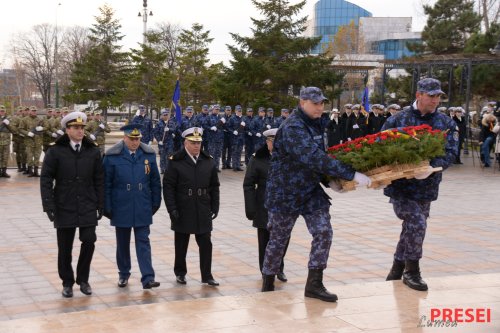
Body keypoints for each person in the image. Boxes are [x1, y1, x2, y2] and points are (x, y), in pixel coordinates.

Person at [261, 87, 371, 302]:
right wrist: (351, 174)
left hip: (310, 190)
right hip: (285, 192)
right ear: (303, 102)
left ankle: (314, 283)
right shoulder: (293, 126)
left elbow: (321, 156)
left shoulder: (318, 124)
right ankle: (268, 282)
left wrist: (328, 181)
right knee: (278, 239)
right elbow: (312, 158)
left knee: (323, 231)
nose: (320, 107)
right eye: (316, 103)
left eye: (322, 103)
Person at [382, 78, 459, 291]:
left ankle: (397, 267)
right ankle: (412, 271)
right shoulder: (398, 119)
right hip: (402, 186)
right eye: (431, 95)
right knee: (417, 222)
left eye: (438, 96)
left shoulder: (446, 123)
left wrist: (431, 167)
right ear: (419, 95)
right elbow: (380, 146)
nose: (435, 100)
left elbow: (451, 152)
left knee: (412, 227)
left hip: (427, 185)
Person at [40, 111, 104, 298]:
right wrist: (48, 205)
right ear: (67, 130)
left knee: (89, 240)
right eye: (75, 128)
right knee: (65, 247)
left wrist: (100, 203)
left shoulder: (92, 151)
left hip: (86, 203)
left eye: (82, 128)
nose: (80, 131)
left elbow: (99, 179)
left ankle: (83, 279)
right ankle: (67, 282)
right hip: (64, 204)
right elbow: (46, 179)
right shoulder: (55, 151)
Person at [102, 124, 162, 289]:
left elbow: (155, 181)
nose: (135, 142)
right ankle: (123, 274)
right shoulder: (112, 156)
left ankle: (148, 277)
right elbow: (105, 183)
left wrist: (156, 202)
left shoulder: (148, 154)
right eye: (131, 139)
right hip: (121, 204)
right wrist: (106, 206)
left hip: (142, 204)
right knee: (122, 242)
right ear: (124, 138)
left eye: (137, 139)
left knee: (143, 241)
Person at [163, 127, 220, 286]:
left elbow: (214, 185)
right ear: (185, 143)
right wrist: (172, 208)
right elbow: (168, 187)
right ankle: (180, 272)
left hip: (202, 206)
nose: (196, 146)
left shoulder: (208, 160)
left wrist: (215, 206)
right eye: (193, 142)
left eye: (199, 142)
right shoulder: (176, 161)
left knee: (206, 243)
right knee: (181, 243)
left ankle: (207, 275)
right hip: (183, 207)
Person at [243, 128, 289, 282]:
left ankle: (279, 268)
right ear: (267, 142)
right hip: (264, 205)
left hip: (283, 206)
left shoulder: (287, 157)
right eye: (272, 141)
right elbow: (248, 184)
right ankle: (265, 269)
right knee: (265, 239)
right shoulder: (257, 159)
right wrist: (250, 208)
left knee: (283, 238)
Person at [0, 105, 14, 178]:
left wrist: (8, 124)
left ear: (5, 112)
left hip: (6, 142)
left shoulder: (9, 119)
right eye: (0, 111)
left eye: (3, 111)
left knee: (5, 157)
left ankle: (4, 172)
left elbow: (13, 130)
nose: (2, 112)